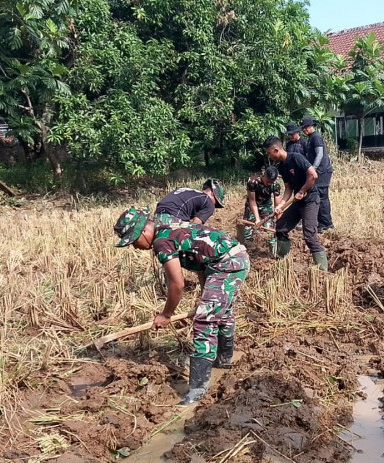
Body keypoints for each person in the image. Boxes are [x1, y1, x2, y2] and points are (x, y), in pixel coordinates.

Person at [114, 206, 250, 405]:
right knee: (220, 313)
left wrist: (166, 314)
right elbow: (203, 260)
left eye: (134, 241)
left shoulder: (161, 242)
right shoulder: (167, 228)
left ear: (144, 231)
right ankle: (224, 361)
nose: (135, 247)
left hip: (228, 263)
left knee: (204, 322)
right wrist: (207, 295)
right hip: (229, 259)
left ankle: (197, 390)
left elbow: (177, 284)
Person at [262, 136, 328, 271]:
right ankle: (282, 261)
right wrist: (281, 205)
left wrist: (303, 191)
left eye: (269, 153)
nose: (269, 156)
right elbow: (288, 189)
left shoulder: (296, 157)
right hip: (298, 202)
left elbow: (313, 175)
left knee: (309, 236)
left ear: (276, 149)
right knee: (280, 227)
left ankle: (322, 271)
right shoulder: (282, 166)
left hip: (310, 200)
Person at [301, 116, 334, 233]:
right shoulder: (311, 138)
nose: (304, 130)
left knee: (322, 197)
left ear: (311, 126)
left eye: (306, 127)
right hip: (318, 171)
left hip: (322, 172)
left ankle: (326, 224)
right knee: (318, 196)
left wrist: (313, 169)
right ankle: (322, 222)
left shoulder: (316, 137)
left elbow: (319, 154)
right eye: (303, 128)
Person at [242, 166, 282, 254]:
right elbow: (252, 201)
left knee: (270, 230)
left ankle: (272, 251)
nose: (269, 184)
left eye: (271, 182)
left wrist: (278, 221)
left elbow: (277, 206)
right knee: (247, 230)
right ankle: (247, 250)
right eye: (268, 181)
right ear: (264, 175)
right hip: (252, 204)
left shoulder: (275, 185)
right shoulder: (252, 182)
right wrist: (257, 219)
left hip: (265, 205)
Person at [154, 179, 225, 224]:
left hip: (157, 216)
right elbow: (196, 225)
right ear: (213, 193)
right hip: (173, 218)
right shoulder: (208, 202)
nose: (214, 206)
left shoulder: (189, 192)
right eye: (216, 203)